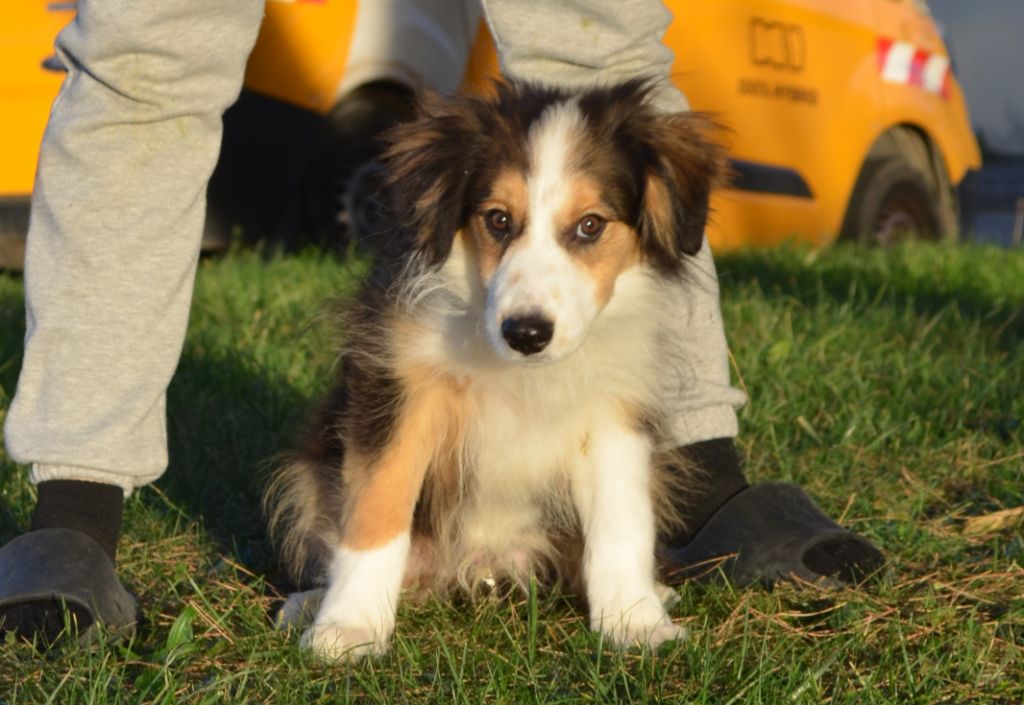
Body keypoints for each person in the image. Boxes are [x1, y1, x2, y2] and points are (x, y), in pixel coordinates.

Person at [0, 0, 882, 645]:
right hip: (410, 519)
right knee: (146, 43)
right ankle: (75, 516)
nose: (536, 271)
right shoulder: (444, 285)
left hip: (539, 507)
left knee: (588, 33)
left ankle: (703, 483)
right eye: (498, 223)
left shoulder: (642, 197)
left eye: (586, 229)